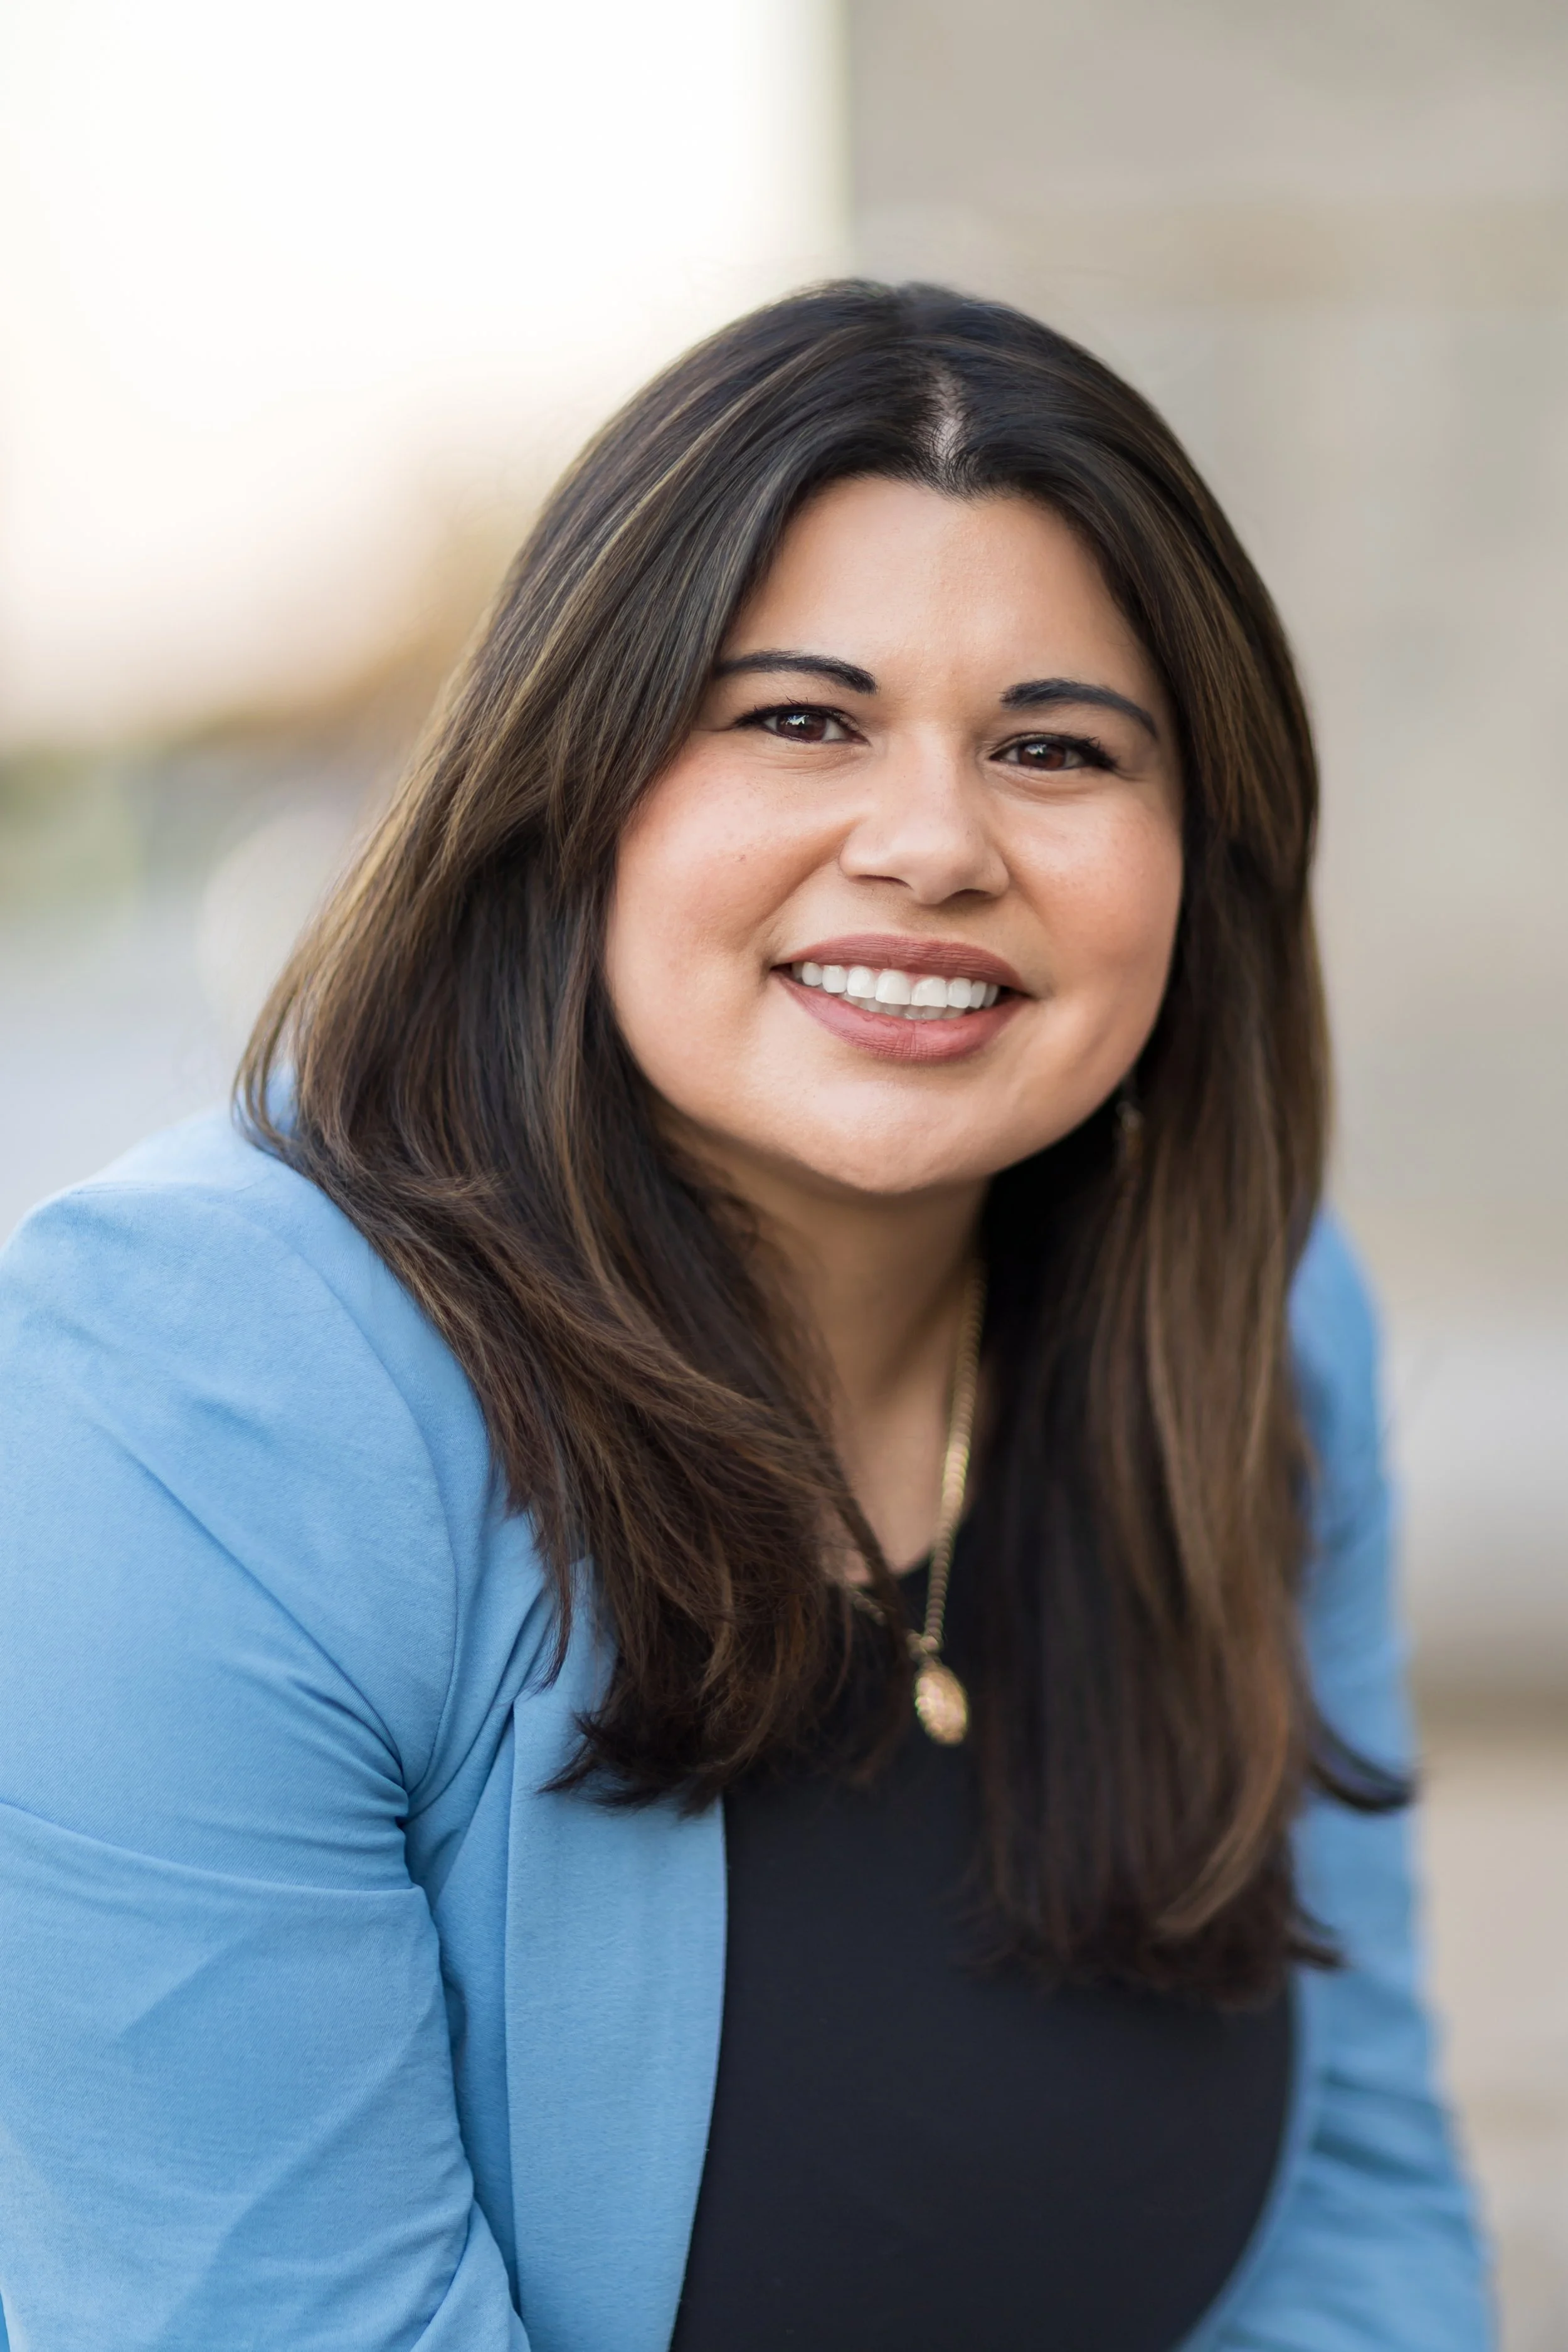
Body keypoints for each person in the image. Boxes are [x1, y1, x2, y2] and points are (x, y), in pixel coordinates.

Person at [0, 282, 1489, 2351]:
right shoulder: (189, 1406)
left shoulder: (1249, 1326)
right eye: (798, 718)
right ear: (573, 783)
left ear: (1198, 862)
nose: (933, 843)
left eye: (1054, 749)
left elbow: (1359, 2218)